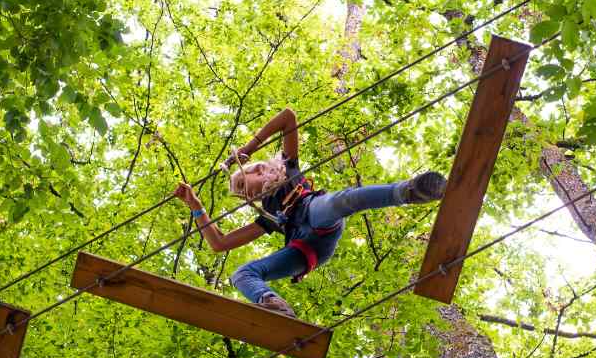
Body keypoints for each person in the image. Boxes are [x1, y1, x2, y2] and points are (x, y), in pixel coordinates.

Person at [173, 108, 446, 318]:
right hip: (304, 249)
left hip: (316, 214)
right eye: (241, 194)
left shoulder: (288, 168)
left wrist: (248, 148)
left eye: (243, 185)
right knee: (241, 274)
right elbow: (220, 244)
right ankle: (271, 302)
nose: (245, 195)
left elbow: (288, 117)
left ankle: (409, 191)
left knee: (340, 202)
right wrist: (197, 208)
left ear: (257, 170)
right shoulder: (266, 217)